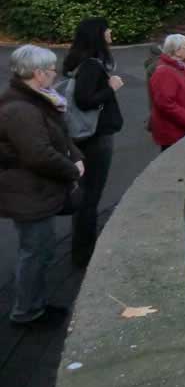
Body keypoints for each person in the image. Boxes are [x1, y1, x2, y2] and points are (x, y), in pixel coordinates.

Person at [0, 45, 85, 326]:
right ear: (37, 74)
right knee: (35, 252)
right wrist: (71, 169)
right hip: (28, 193)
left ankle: (34, 304)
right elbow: (38, 154)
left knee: (40, 249)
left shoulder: (35, 100)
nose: (54, 75)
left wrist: (76, 155)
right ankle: (27, 311)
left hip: (33, 190)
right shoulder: (21, 109)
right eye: (50, 70)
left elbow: (57, 137)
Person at [62, 17, 124, 268]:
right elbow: (85, 99)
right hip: (96, 137)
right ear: (98, 34)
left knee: (86, 192)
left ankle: (81, 248)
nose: (110, 32)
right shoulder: (92, 65)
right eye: (107, 29)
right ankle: (83, 254)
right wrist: (111, 88)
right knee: (91, 195)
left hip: (85, 136)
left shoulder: (79, 61)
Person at [149, 34, 185, 151]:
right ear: (177, 51)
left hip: (182, 129)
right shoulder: (164, 72)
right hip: (174, 133)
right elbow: (166, 104)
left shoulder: (179, 67)